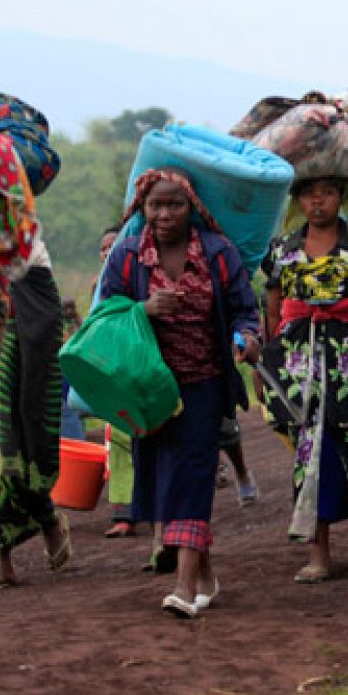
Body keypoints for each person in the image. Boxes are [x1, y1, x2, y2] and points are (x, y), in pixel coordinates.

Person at [100, 168, 261, 617]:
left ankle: (185, 588)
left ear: (192, 208)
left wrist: (247, 339)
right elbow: (106, 315)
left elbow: (245, 309)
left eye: (175, 204)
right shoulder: (128, 257)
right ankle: (206, 575)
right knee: (160, 478)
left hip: (204, 386)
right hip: (148, 389)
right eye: (156, 205)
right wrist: (143, 309)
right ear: (141, 209)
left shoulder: (217, 253)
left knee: (192, 477)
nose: (165, 213)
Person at [0, 93, 72, 592]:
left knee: (18, 446)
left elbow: (41, 305)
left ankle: (47, 517)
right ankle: (2, 561)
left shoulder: (25, 230)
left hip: (13, 347)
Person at [261, 176, 348, 582]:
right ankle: (318, 554)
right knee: (310, 453)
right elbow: (272, 312)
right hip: (299, 363)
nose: (316, 200)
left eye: (327, 191)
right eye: (308, 192)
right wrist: (266, 367)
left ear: (342, 195)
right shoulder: (283, 250)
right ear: (297, 198)